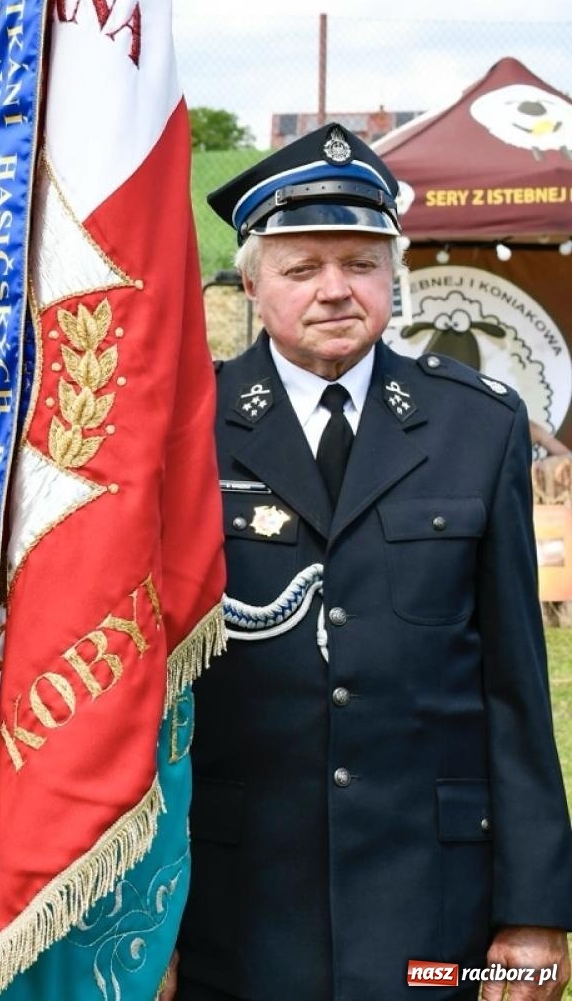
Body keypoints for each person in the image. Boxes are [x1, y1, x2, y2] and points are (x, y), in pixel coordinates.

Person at [170, 123, 572, 1000]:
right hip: (236, 905)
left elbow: (515, 684)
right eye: (302, 268)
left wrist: (537, 908)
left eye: (359, 262)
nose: (335, 291)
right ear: (252, 282)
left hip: (431, 908)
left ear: (395, 272)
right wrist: (141, 922)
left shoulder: (480, 426)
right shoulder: (182, 434)